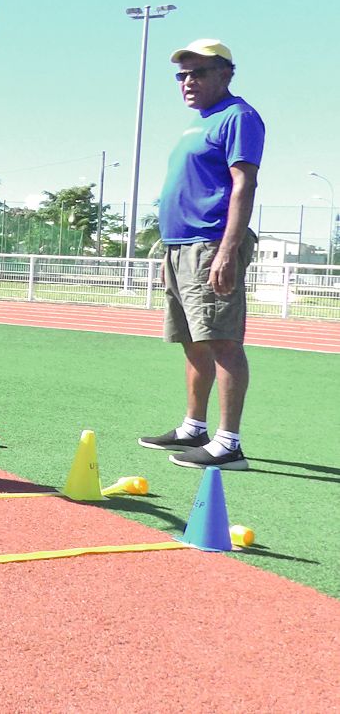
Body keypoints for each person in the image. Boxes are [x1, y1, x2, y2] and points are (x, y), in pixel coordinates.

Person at [137, 39, 264, 471]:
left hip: (211, 244)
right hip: (180, 246)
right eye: (182, 75)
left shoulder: (238, 117)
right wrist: (168, 249)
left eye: (199, 73)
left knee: (223, 340)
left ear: (226, 73)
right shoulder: (198, 123)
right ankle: (195, 427)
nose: (188, 82)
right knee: (193, 339)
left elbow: (243, 185)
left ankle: (229, 444)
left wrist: (227, 250)